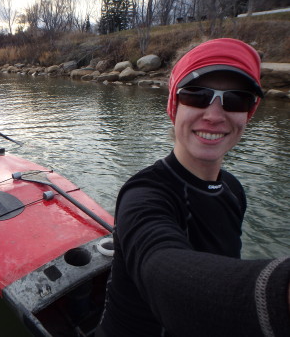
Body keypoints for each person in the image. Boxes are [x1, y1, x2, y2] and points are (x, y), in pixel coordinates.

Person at [97, 38, 290, 337]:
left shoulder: (233, 190)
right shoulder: (142, 195)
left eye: (236, 99)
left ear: (249, 113)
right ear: (173, 106)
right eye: (196, 95)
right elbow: (161, 271)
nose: (213, 115)